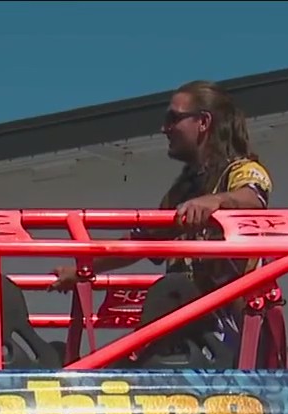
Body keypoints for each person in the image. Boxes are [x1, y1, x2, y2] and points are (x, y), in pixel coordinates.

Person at [50, 80, 273, 347]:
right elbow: (140, 242)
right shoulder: (182, 190)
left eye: (173, 119)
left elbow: (253, 196)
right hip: (190, 330)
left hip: (236, 332)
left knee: (169, 295)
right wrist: (81, 270)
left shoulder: (241, 170)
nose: (164, 128)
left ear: (203, 122)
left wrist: (216, 201)